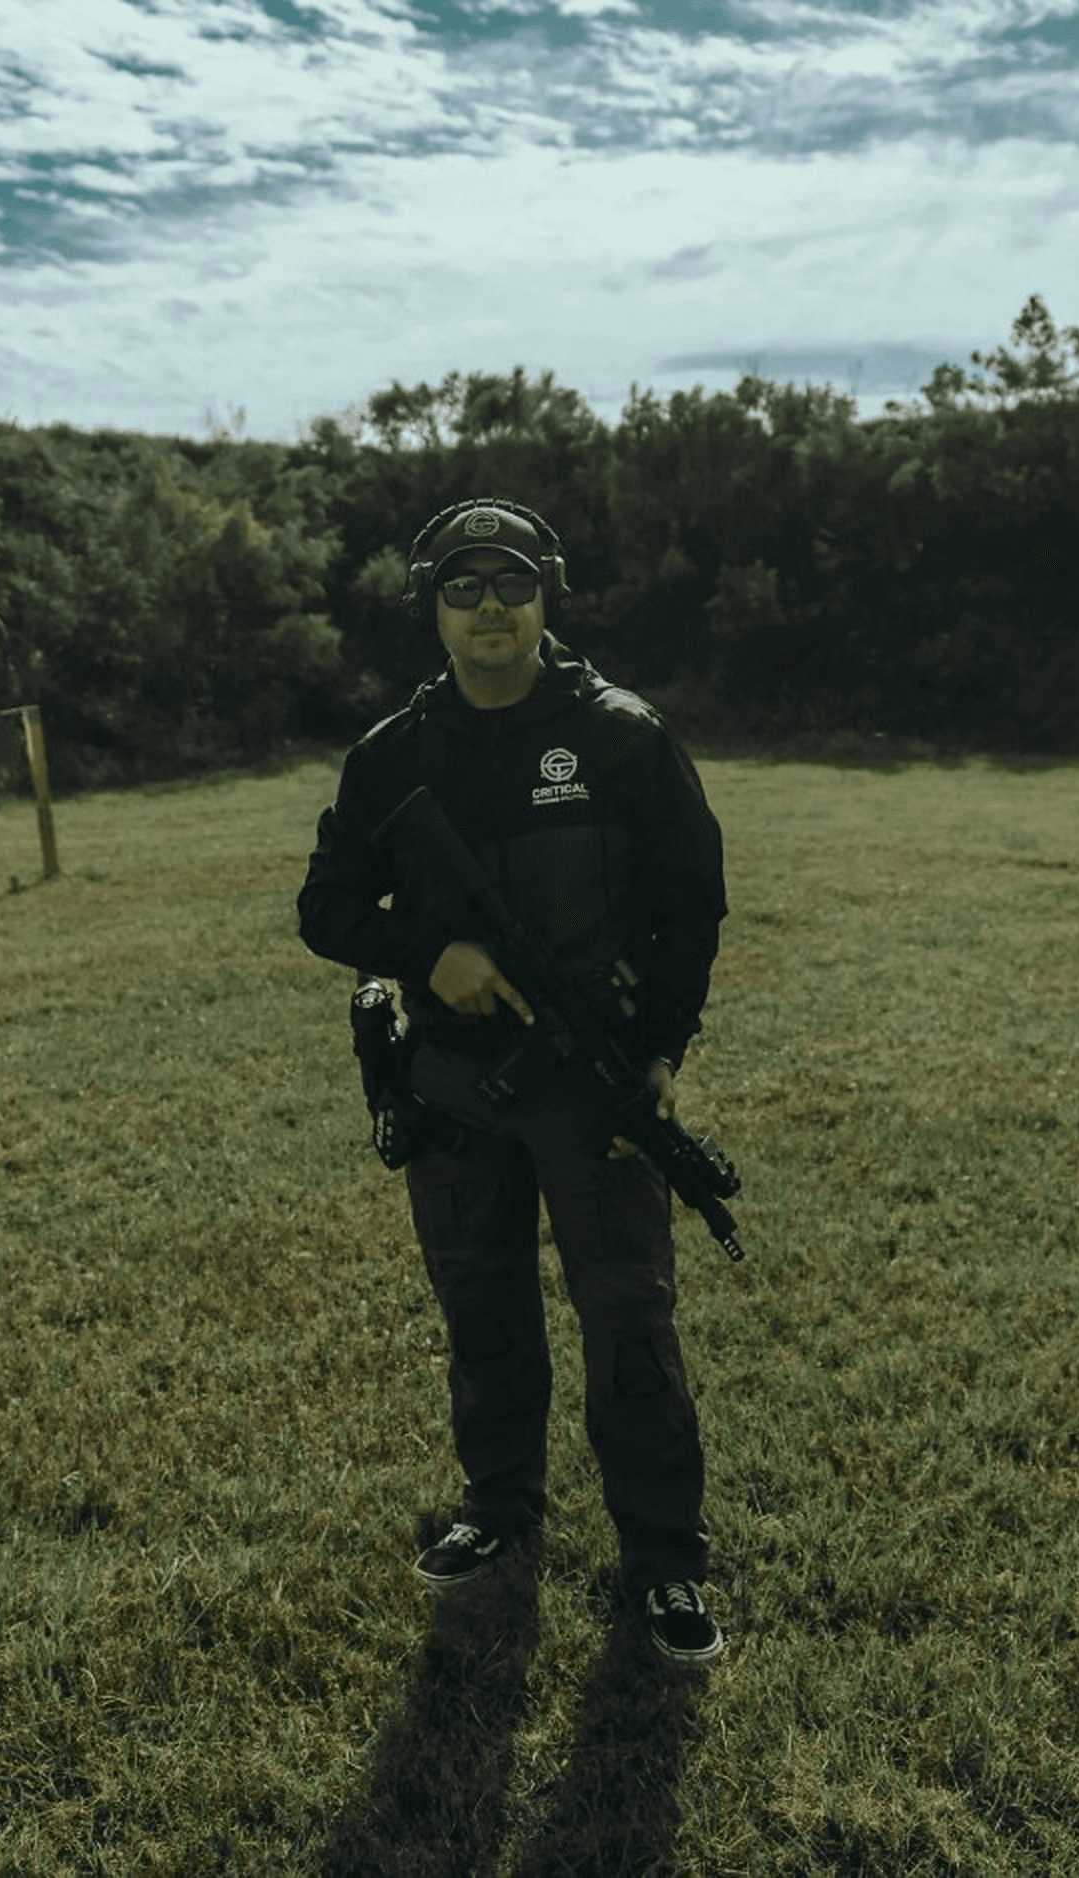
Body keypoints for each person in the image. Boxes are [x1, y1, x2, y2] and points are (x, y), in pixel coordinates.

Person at [296, 497, 730, 1664]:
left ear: (547, 598)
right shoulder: (391, 757)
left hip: (593, 1092)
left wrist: (663, 1053)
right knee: (480, 1309)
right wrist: (424, 953)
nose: (491, 607)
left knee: (629, 1320)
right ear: (432, 610)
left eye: (512, 584)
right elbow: (324, 908)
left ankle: (667, 1561)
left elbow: (693, 906)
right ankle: (499, 1510)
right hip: (449, 1088)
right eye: (464, 587)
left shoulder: (622, 737)